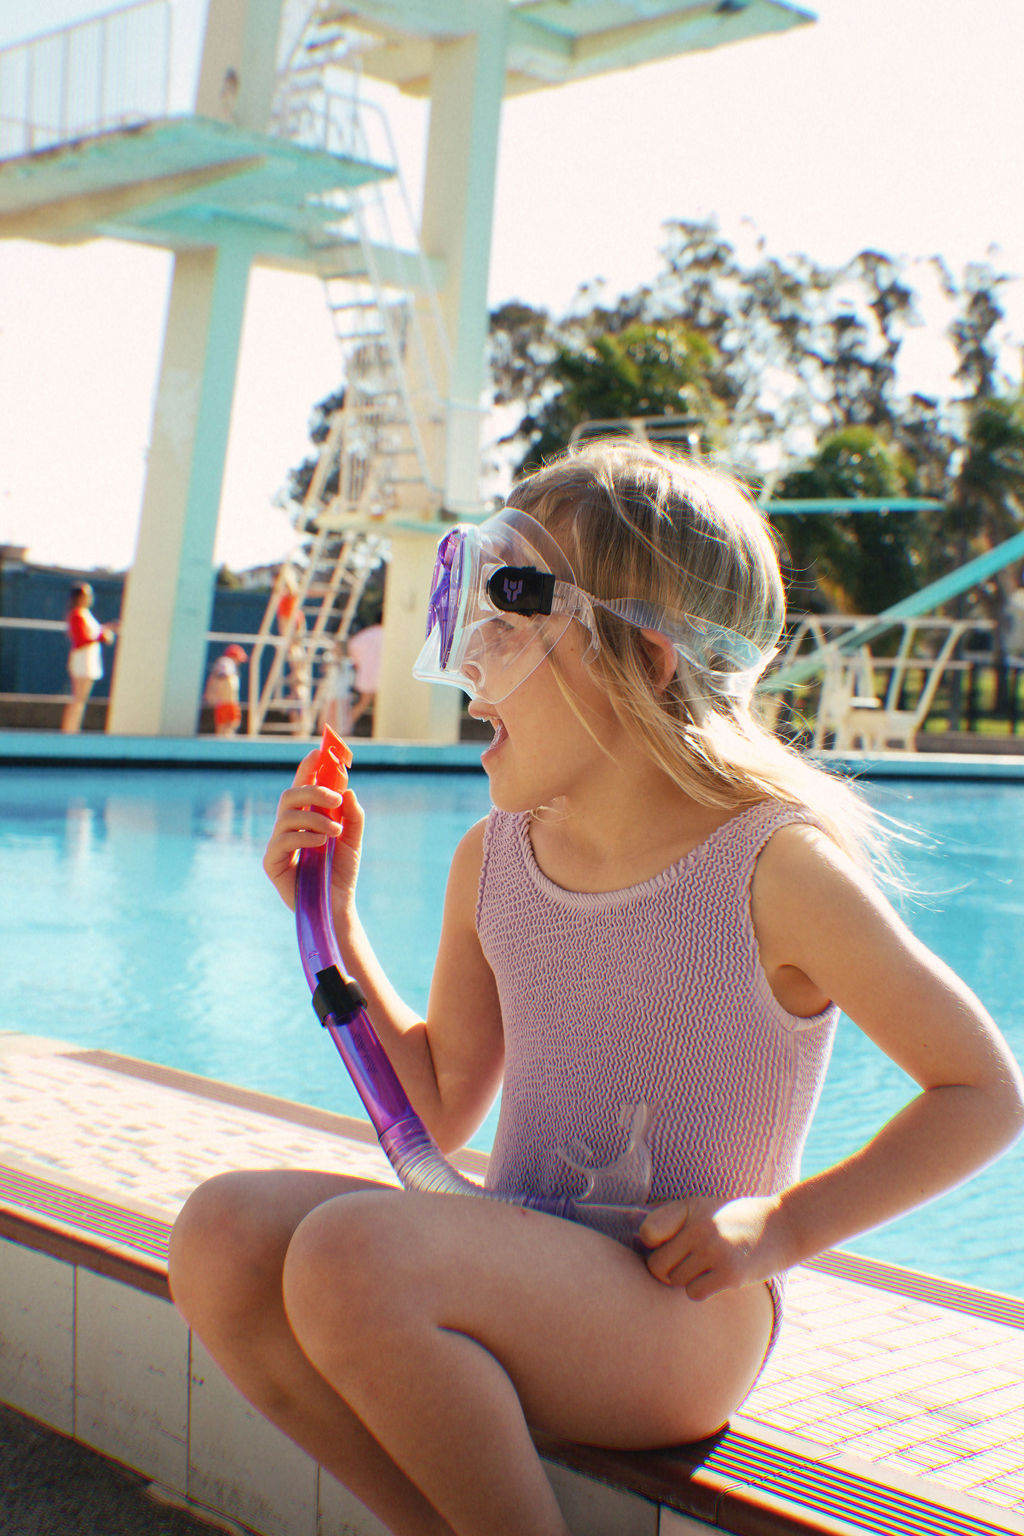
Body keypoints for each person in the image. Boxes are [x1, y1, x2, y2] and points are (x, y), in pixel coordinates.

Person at [169, 442, 1023, 1536]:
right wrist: (330, 923)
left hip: (684, 1314)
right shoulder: (497, 858)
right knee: (224, 1234)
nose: (474, 656)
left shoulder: (773, 869)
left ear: (649, 661)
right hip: (527, 1269)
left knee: (347, 1256)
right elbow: (433, 1109)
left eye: (517, 616)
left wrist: (777, 1229)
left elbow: (981, 1091)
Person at [62, 582, 116, 734]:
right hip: (82, 661)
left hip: (89, 660)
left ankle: (73, 729)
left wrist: (106, 629)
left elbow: (92, 633)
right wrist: (101, 637)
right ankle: (70, 731)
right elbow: (81, 639)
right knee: (78, 699)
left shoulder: (85, 614)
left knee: (81, 700)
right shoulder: (77, 615)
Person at [346, 616, 383, 731]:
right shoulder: (387, 634)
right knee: (379, 706)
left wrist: (359, 663)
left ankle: (344, 729)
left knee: (363, 703)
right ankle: (377, 731)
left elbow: (352, 646)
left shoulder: (367, 634)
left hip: (366, 674)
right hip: (380, 675)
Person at [204, 644, 247, 736]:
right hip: (226, 703)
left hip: (228, 703)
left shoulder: (229, 668)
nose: (239, 662)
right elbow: (222, 675)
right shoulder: (226, 663)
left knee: (228, 727)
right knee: (226, 726)